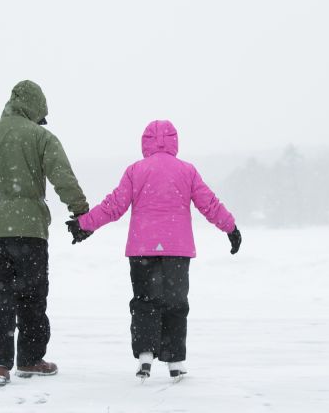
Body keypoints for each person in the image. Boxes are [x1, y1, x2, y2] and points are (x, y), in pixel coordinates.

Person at [66, 119, 242, 380]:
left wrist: (85, 225)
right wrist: (230, 228)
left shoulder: (136, 170)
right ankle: (175, 360)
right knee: (175, 303)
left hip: (142, 247)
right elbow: (210, 204)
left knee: (145, 302)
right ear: (174, 142)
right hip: (177, 249)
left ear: (145, 143)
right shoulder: (187, 171)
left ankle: (145, 355)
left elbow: (114, 205)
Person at [0, 80, 90, 386]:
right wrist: (80, 211)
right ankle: (30, 359)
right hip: (29, 231)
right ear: (36, 109)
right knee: (32, 296)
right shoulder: (40, 137)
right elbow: (62, 176)